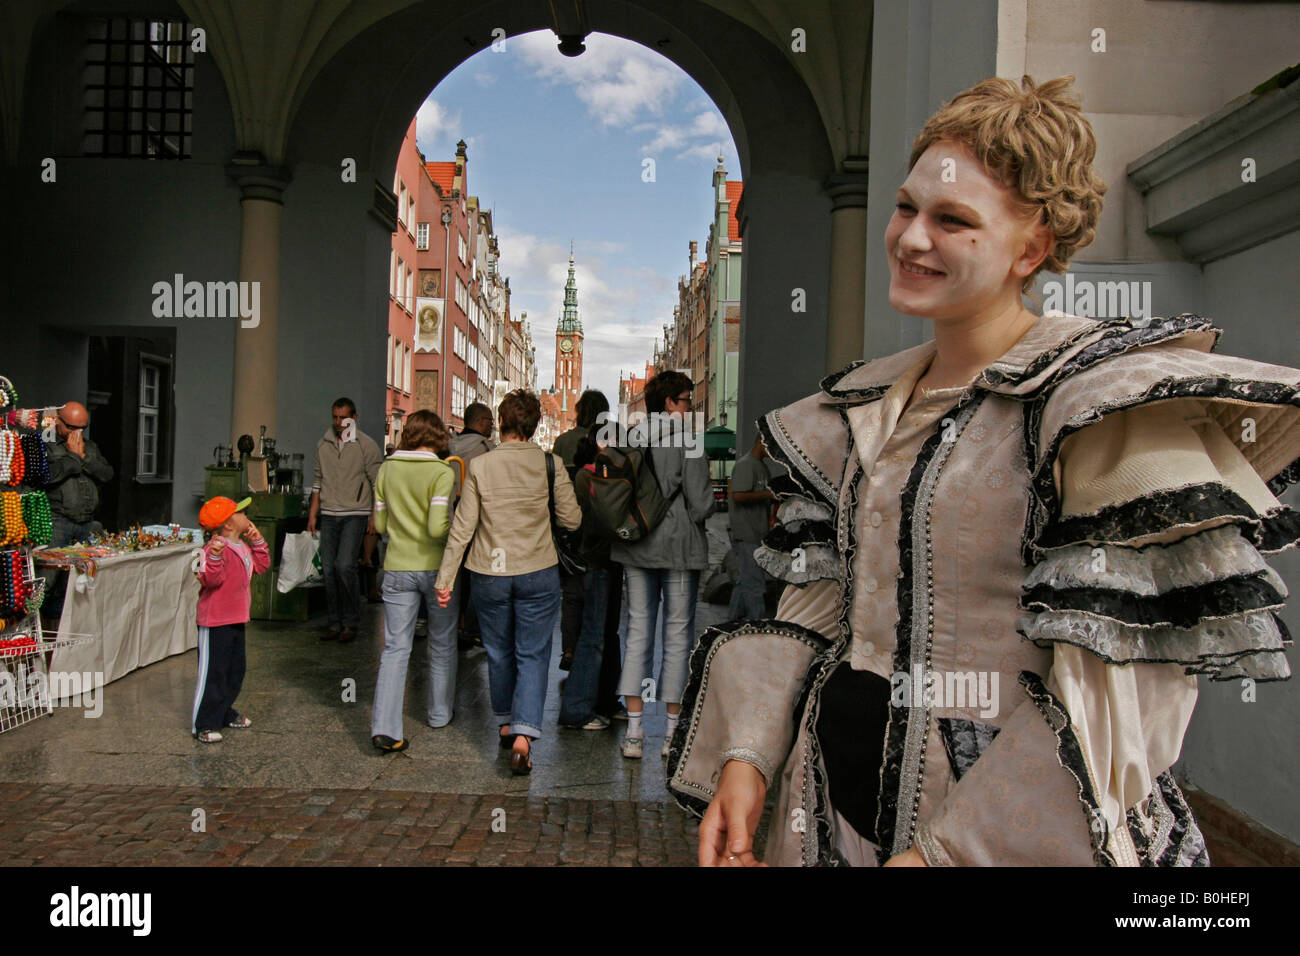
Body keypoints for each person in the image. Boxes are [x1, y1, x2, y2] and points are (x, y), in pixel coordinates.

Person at [668, 75, 1300, 867]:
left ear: (1030, 248)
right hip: (828, 818)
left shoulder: (1097, 408)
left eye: (952, 220)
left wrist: (946, 856)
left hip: (1008, 837)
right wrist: (749, 755)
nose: (910, 239)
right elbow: (820, 603)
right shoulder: (858, 409)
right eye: (906, 207)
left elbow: (1126, 686)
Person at [434, 390, 581, 775]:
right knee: (533, 653)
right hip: (537, 569)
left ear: (501, 423)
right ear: (534, 425)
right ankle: (523, 736)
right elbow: (572, 519)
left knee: (498, 651)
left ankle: (504, 722)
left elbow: (463, 527)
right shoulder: (550, 464)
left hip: (489, 573)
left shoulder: (481, 466)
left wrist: (446, 577)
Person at [611, 370, 716, 760]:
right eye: (687, 399)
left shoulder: (629, 438)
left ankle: (634, 732)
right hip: (678, 549)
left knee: (637, 631)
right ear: (671, 402)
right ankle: (671, 734)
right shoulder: (688, 441)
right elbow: (702, 504)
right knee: (677, 634)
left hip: (636, 545)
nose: (690, 406)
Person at [369, 410, 458, 752]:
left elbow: (379, 525)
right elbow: (436, 527)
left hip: (396, 566)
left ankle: (386, 728)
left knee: (395, 648)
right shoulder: (442, 472)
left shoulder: (386, 469)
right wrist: (454, 533)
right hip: (436, 568)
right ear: (438, 437)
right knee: (442, 642)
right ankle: (438, 714)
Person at [192, 496, 270, 743]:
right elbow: (209, 580)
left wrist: (258, 542)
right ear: (228, 524)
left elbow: (262, 566)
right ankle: (204, 723)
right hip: (215, 621)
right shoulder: (214, 548)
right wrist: (215, 558)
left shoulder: (242, 546)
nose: (246, 515)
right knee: (213, 673)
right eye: (241, 513)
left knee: (235, 671)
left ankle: (224, 711)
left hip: (236, 618)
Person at [558, 424, 620, 730]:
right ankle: (577, 708)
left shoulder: (604, 472)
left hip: (610, 559)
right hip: (596, 559)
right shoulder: (587, 476)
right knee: (594, 634)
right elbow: (593, 519)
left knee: (608, 633)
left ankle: (606, 701)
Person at [307, 397, 382, 643]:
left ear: (354, 418)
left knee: (345, 565)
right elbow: (318, 480)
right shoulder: (324, 444)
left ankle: (350, 622)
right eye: (335, 417)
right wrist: (312, 514)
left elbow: (377, 483)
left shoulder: (365, 445)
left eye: (343, 417)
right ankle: (334, 622)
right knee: (328, 568)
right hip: (329, 512)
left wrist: (374, 515)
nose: (339, 422)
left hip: (355, 512)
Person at [42, 401, 114, 621]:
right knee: (48, 579)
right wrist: (73, 457)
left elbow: (107, 474)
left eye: (82, 428)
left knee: (79, 581)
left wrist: (84, 457)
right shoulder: (45, 444)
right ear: (57, 421)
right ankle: (39, 628)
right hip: (57, 521)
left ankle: (67, 626)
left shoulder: (89, 447)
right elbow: (44, 477)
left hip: (86, 523)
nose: (77, 433)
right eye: (72, 427)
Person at [555, 390, 610, 671]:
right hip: (599, 526)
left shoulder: (562, 441)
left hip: (569, 525)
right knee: (598, 595)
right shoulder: (607, 440)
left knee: (572, 593)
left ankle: (569, 649)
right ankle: (591, 652)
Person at [448, 401, 495, 646]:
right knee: (475, 574)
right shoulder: (486, 450)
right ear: (479, 422)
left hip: (450, 514)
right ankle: (470, 626)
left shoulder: (448, 447)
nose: (492, 426)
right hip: (476, 518)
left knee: (454, 571)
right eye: (489, 421)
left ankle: (453, 622)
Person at [727, 434, 775, 621]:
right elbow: (738, 496)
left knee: (746, 580)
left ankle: (731, 623)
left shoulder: (761, 466)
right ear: (761, 442)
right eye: (772, 445)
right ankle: (757, 625)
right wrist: (768, 495)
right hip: (747, 533)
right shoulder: (746, 465)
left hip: (757, 532)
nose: (774, 451)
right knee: (755, 584)